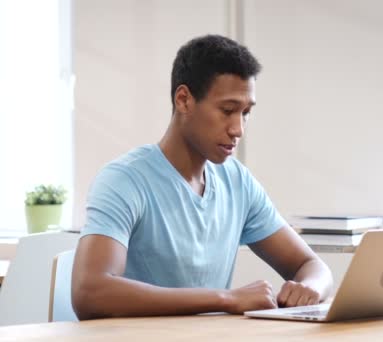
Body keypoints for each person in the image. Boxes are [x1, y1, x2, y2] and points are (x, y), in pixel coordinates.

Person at [71, 35, 333, 320]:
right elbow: (90, 292)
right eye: (228, 111)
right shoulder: (124, 180)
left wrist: (310, 287)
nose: (238, 129)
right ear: (183, 100)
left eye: (246, 113)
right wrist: (226, 298)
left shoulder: (237, 181)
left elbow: (312, 265)